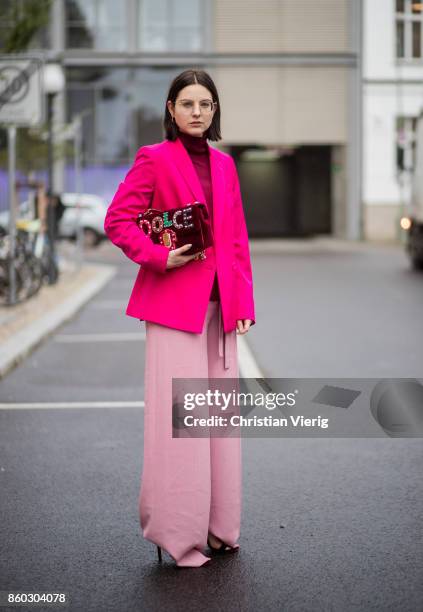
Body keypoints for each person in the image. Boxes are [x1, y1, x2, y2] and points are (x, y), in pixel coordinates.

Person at [104, 69, 256, 568]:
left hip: (221, 309)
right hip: (173, 308)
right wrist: (155, 256)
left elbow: (235, 240)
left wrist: (244, 305)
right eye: (187, 103)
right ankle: (177, 534)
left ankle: (218, 529)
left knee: (218, 424)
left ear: (214, 111)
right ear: (171, 109)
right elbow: (118, 220)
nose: (197, 112)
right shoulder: (155, 159)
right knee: (182, 427)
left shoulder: (226, 165)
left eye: (205, 104)